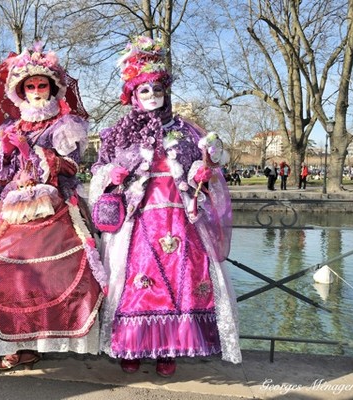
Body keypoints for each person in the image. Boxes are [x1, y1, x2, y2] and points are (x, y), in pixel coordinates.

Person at [89, 36, 241, 377]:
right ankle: (132, 345)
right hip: (137, 219)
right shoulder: (117, 134)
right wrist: (111, 174)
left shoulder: (185, 131)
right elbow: (99, 174)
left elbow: (204, 170)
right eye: (145, 90)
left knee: (179, 284)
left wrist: (201, 171)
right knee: (137, 284)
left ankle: (168, 348)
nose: (153, 96)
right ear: (132, 95)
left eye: (158, 89)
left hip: (179, 218)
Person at [0, 43, 106, 371]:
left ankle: (34, 343)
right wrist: (7, 156)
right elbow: (1, 175)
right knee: (0, 272)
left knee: (49, 275)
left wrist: (45, 159)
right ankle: (10, 344)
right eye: (30, 86)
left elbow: (73, 166)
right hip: (13, 207)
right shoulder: (9, 129)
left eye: (42, 85)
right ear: (21, 91)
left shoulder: (66, 126)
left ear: (53, 88)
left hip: (55, 205)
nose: (37, 91)